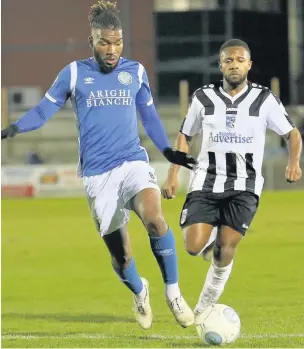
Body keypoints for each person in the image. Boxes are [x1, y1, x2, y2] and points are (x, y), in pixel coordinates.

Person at [1, 0, 197, 330]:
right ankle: (139, 290)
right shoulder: (74, 73)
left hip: (132, 163)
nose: (112, 49)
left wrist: (167, 151)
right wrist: (13, 129)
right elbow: (43, 112)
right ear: (91, 39)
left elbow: (148, 116)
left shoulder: (134, 72)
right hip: (98, 175)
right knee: (123, 258)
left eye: (118, 42)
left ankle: (174, 292)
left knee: (156, 220)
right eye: (105, 42)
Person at [161, 38, 302, 323]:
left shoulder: (264, 99)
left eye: (239, 60)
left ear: (249, 64)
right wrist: (173, 173)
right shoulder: (203, 97)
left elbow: (293, 134)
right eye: (228, 60)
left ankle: (202, 310)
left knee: (226, 247)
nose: (234, 65)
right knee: (191, 245)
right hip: (206, 181)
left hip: (246, 186)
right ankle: (211, 240)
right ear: (220, 65)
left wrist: (294, 162)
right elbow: (185, 135)